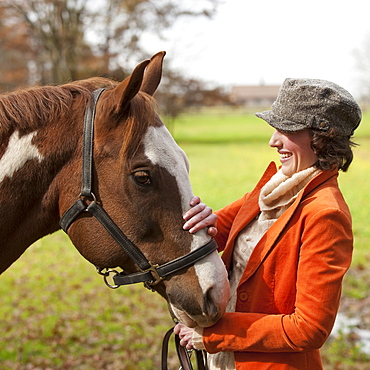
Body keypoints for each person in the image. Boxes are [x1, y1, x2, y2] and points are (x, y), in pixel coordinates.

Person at [174, 78, 362, 370]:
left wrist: (213, 333)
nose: (273, 141)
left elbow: (309, 328)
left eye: (286, 129)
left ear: (321, 137)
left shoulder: (326, 215)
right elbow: (214, 230)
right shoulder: (271, 190)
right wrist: (202, 221)